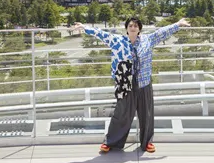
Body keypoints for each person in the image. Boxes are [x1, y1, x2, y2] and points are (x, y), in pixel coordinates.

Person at [72, 16, 191, 153]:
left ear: (139, 28)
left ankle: (147, 142)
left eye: (136, 25)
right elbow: (101, 34)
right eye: (130, 25)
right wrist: (84, 28)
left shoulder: (148, 40)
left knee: (146, 113)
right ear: (127, 29)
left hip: (143, 81)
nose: (133, 27)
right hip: (125, 82)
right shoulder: (118, 41)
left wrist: (178, 24)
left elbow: (162, 32)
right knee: (122, 112)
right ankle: (111, 141)